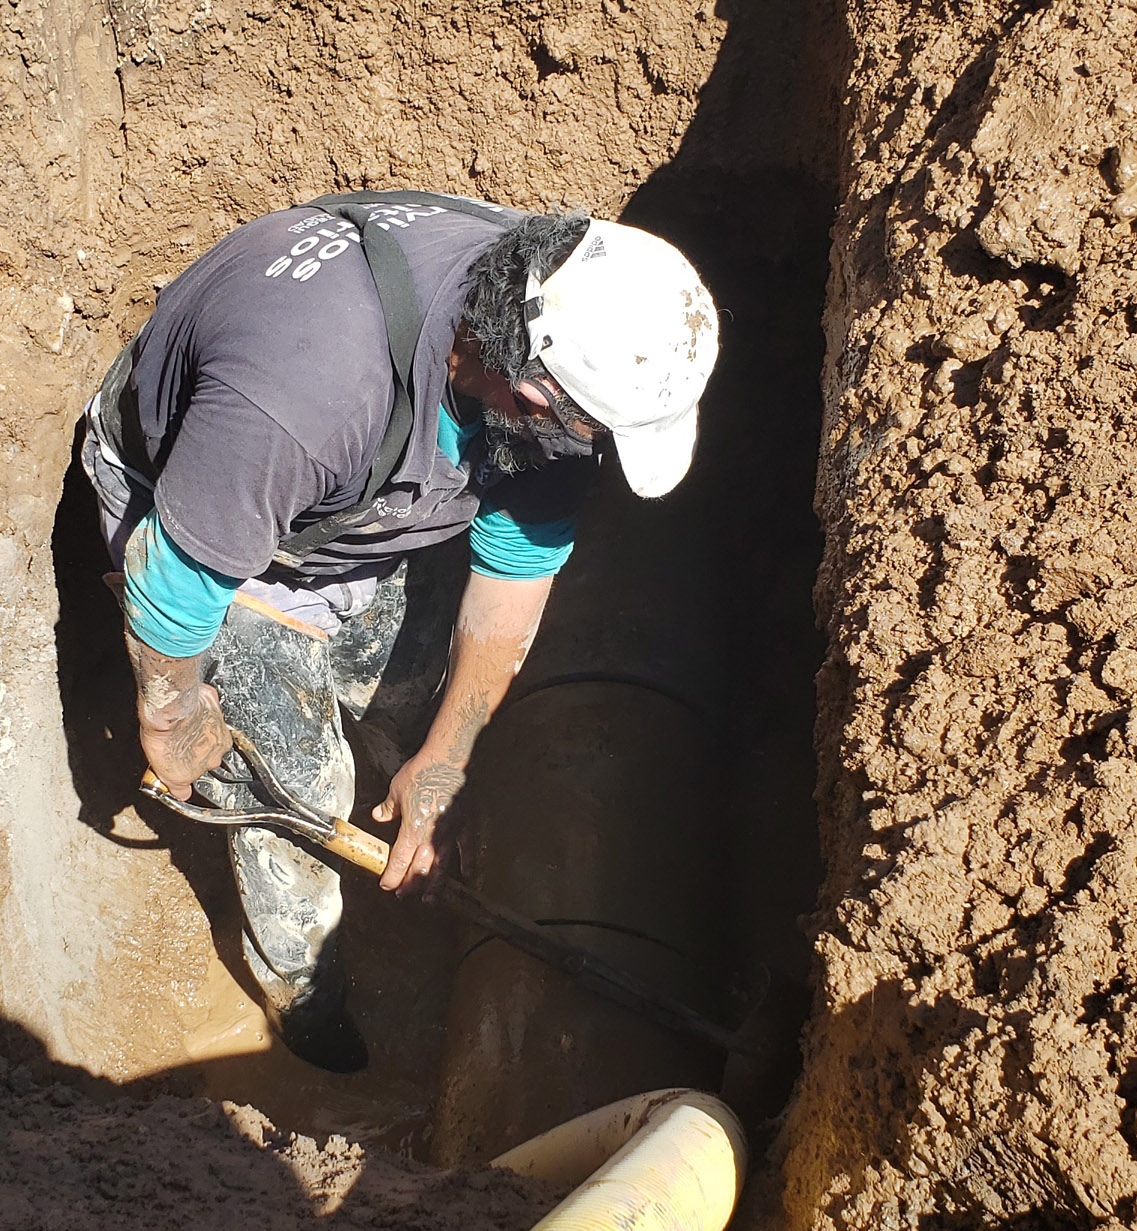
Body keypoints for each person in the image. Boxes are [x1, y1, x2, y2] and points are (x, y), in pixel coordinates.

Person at [78, 190, 719, 1071]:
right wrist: (173, 713)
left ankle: (411, 814)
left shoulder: (552, 319)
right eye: (593, 435)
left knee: (422, 694)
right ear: (532, 392)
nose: (594, 454)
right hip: (202, 521)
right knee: (298, 790)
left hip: (345, 514)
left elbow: (512, 580)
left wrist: (446, 756)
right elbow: (175, 580)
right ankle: (304, 984)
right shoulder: (307, 387)